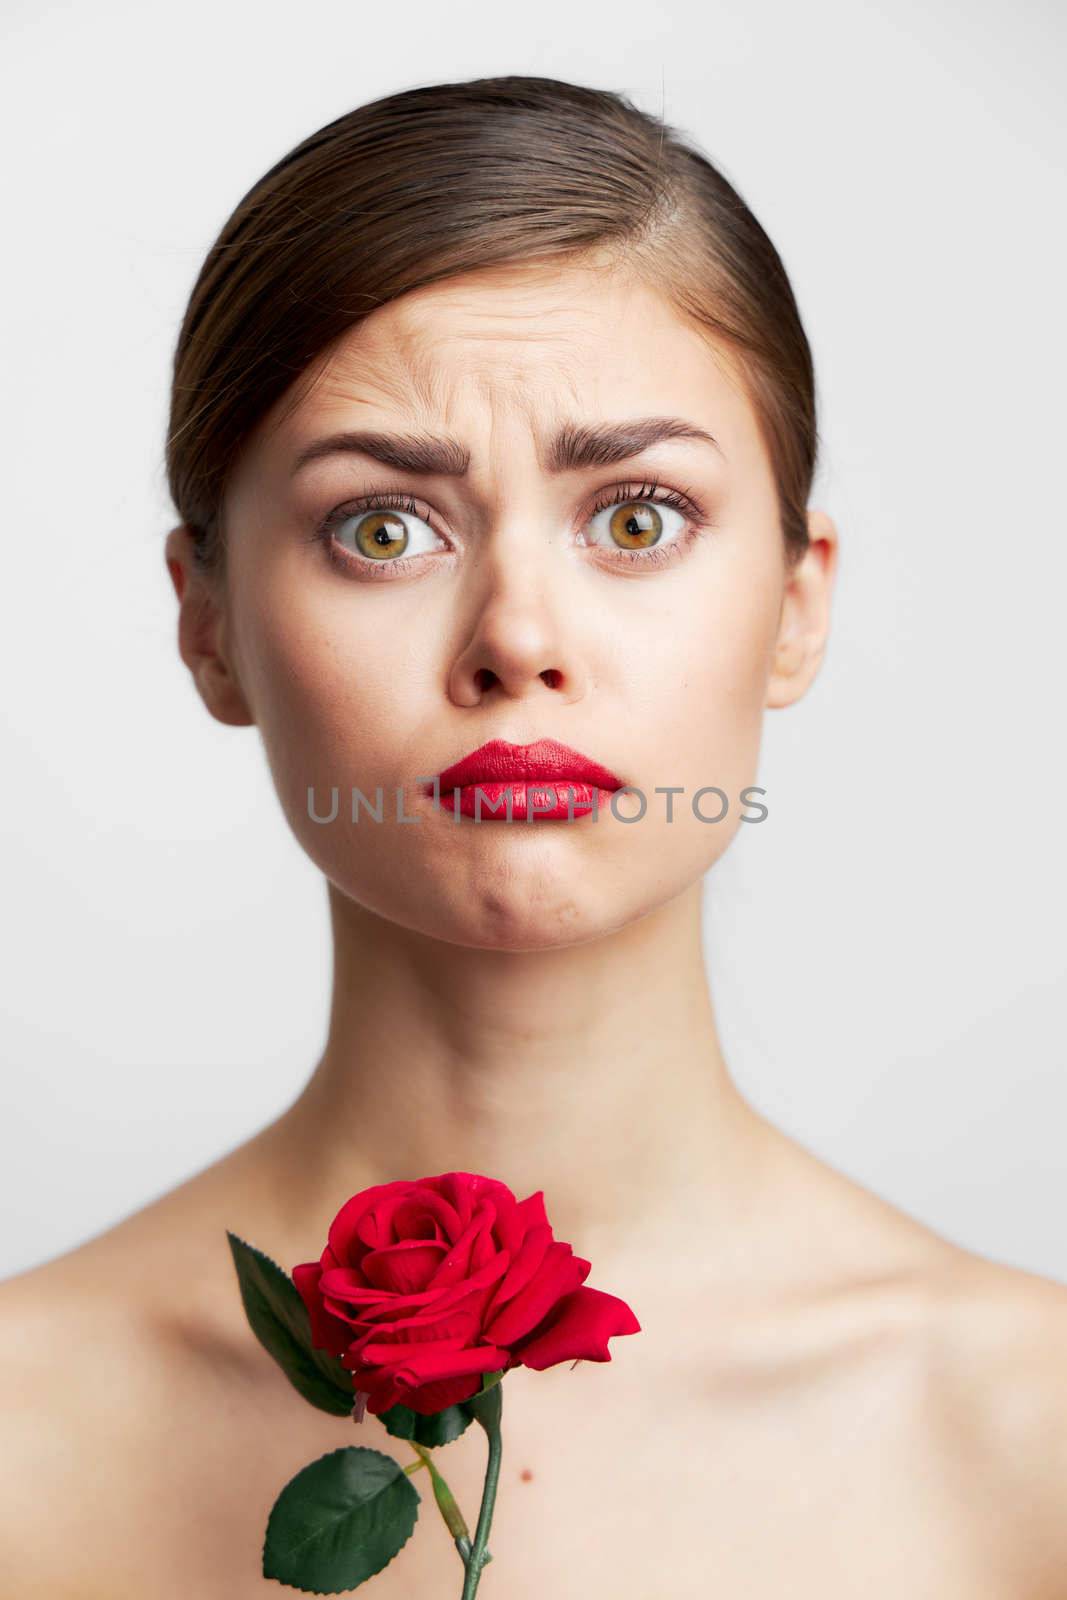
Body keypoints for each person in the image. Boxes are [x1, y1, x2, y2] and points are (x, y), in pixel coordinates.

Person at [1, 74, 1064, 1599]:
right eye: (383, 527)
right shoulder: (15, 1441)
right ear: (211, 622)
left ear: (798, 600)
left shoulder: (1034, 1443)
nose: (516, 639)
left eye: (637, 516)